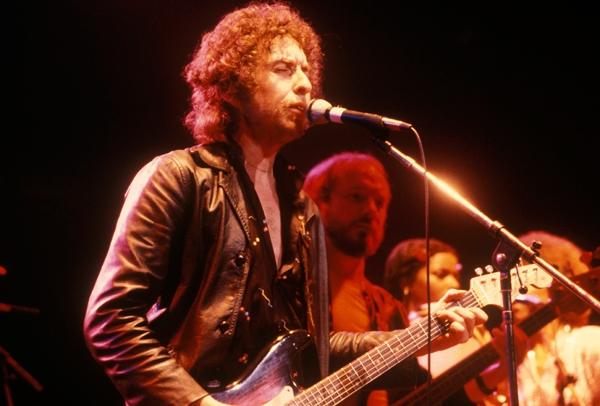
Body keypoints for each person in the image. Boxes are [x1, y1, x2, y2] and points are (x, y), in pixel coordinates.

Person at [83, 3, 487, 405]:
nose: (305, 85)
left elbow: (316, 350)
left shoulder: (302, 209)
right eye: (283, 69)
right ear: (233, 84)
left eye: (306, 71)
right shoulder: (178, 177)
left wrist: (423, 338)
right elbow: (110, 320)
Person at [303, 153, 486, 406]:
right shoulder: (291, 288)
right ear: (319, 201)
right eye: (357, 196)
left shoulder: (388, 308)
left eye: (380, 203)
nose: (371, 210)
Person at [384, 238, 528, 404]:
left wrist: (505, 366)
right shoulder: (392, 330)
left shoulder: (473, 327)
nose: (453, 283)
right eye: (441, 275)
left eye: (456, 275)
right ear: (406, 281)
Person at [511, 230, 600, 406]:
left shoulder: (591, 342)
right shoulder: (512, 356)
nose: (512, 292)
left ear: (557, 285)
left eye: (522, 279)